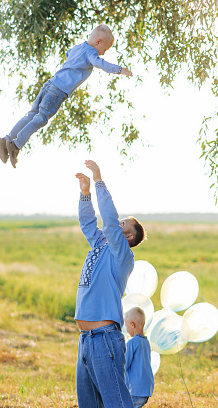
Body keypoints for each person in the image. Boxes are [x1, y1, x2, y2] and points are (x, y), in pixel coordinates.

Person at [0, 25, 133, 168]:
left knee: (31, 115)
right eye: (105, 49)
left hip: (50, 84)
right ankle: (15, 145)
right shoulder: (91, 52)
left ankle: (6, 139)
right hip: (58, 91)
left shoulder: (78, 47)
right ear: (98, 42)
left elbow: (68, 54)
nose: (103, 53)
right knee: (40, 118)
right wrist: (119, 69)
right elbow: (99, 63)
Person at [75, 160, 147, 408]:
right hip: (86, 339)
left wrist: (98, 180)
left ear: (127, 236)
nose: (118, 223)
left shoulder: (123, 256)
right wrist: (85, 194)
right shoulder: (101, 244)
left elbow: (107, 218)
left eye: (123, 223)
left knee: (117, 404)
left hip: (104, 339)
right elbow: (87, 224)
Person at [124, 307, 154, 408]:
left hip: (135, 390)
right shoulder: (146, 342)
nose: (126, 329)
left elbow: (125, 364)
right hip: (146, 389)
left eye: (127, 326)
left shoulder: (132, 343)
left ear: (132, 325)